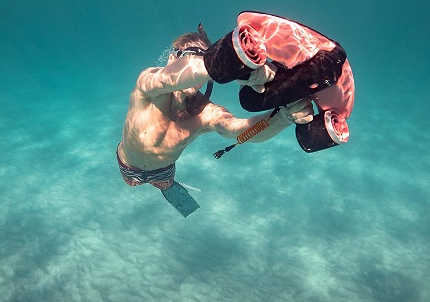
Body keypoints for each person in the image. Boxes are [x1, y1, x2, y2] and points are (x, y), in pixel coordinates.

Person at [116, 23, 314, 217]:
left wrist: (284, 117)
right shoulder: (147, 84)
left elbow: (240, 130)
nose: (196, 67)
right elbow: (167, 79)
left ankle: (177, 198)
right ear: (171, 59)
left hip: (164, 171)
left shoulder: (206, 113)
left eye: (203, 58)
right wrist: (224, 62)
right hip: (128, 166)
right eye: (188, 57)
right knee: (130, 184)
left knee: (168, 187)